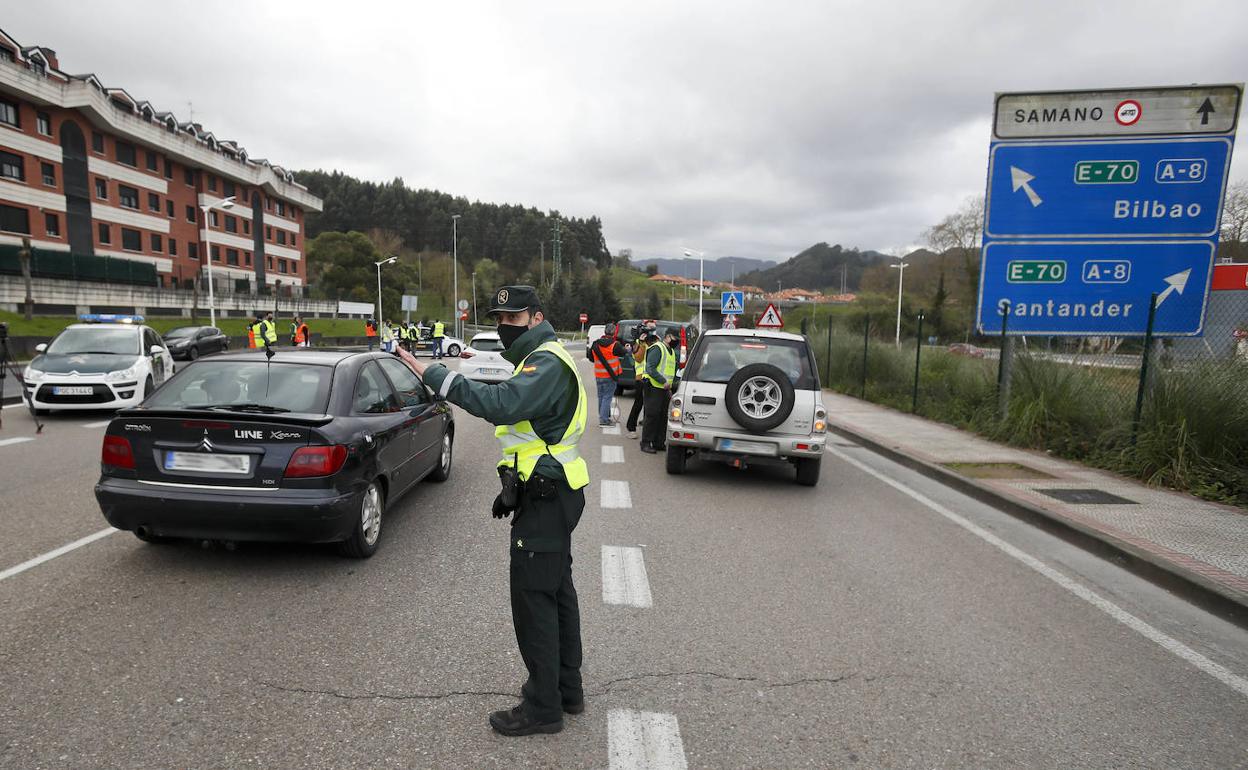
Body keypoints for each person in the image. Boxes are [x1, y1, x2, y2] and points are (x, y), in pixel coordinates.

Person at [398, 285, 588, 737]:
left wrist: (436, 375)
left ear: (537, 317)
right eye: (499, 319)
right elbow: (525, 427)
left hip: (546, 493)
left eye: (514, 319)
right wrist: (510, 485)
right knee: (557, 591)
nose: (504, 327)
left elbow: (501, 404)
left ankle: (543, 707)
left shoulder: (547, 362)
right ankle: (567, 690)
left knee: (533, 600)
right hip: (546, 490)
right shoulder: (538, 359)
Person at [640, 326, 678, 454]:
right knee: (652, 415)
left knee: (663, 416)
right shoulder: (658, 348)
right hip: (653, 385)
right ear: (667, 337)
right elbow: (650, 368)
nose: (675, 341)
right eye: (674, 338)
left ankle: (658, 442)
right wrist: (663, 381)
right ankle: (645, 442)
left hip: (664, 388)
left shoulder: (671, 351)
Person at [588, 323, 625, 426]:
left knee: (601, 397)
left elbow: (591, 358)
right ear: (614, 333)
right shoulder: (615, 345)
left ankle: (604, 417)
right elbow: (623, 352)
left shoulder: (595, 344)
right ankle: (604, 420)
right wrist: (627, 348)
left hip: (599, 375)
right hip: (610, 376)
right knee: (607, 398)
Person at [624, 323, 651, 440]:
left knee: (648, 405)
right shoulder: (636, 344)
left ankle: (645, 424)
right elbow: (639, 358)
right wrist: (641, 343)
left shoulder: (647, 343)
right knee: (638, 404)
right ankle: (631, 427)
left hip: (649, 378)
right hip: (640, 378)